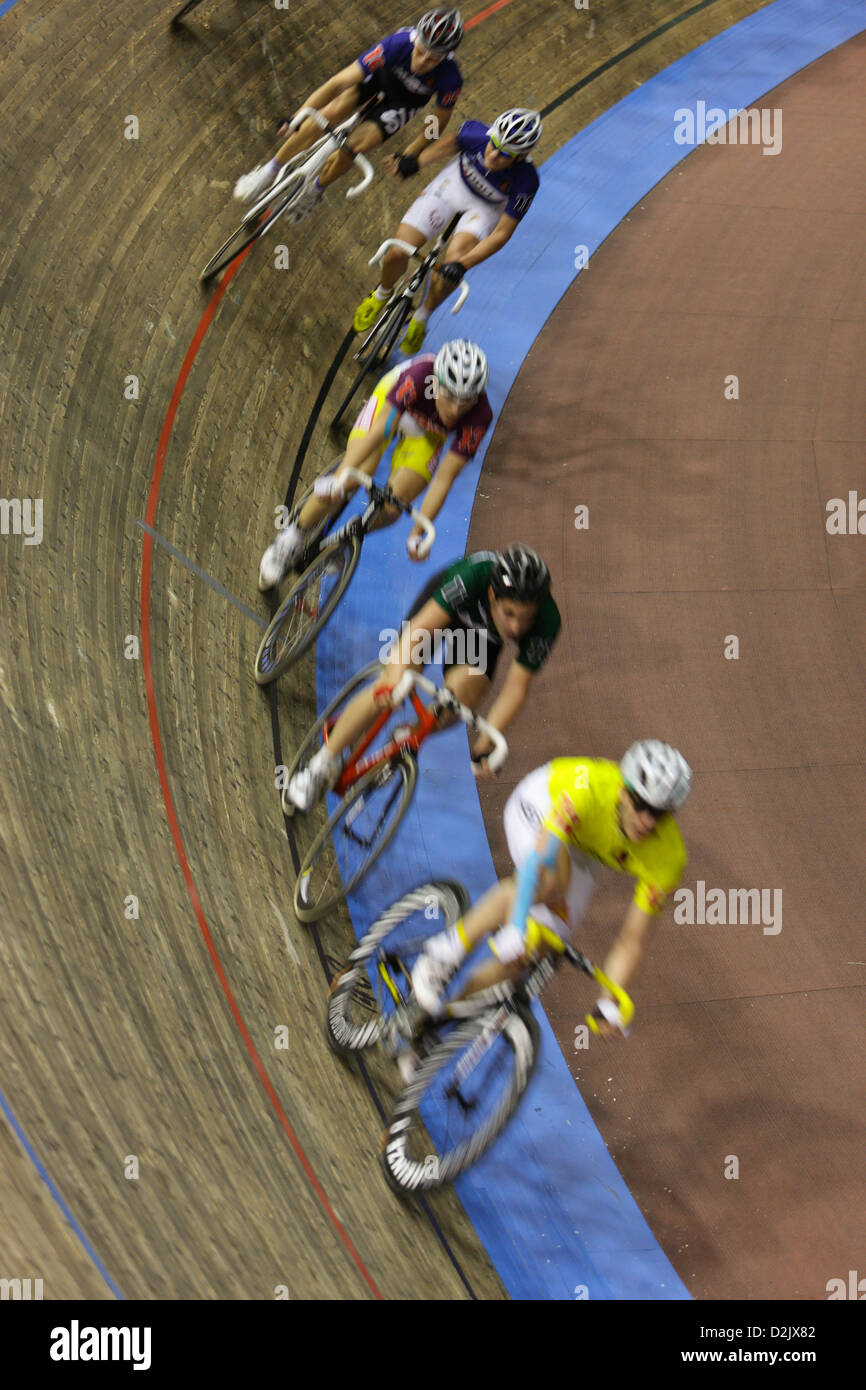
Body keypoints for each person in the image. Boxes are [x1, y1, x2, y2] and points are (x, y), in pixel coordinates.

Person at [410, 741, 692, 1035]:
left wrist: (609, 1000)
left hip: (583, 849)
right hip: (541, 805)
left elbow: (631, 940)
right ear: (623, 790)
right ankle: (443, 954)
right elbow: (538, 863)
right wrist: (517, 923)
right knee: (551, 884)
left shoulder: (670, 859)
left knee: (537, 947)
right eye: (641, 805)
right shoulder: (588, 788)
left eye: (658, 814)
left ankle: (434, 1024)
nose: (647, 821)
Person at [284, 544, 561, 811]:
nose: (516, 627)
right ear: (492, 595)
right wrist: (393, 681)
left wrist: (487, 743)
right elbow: (421, 628)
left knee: (457, 705)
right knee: (392, 685)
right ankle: (321, 764)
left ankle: (407, 735)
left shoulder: (547, 621)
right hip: (442, 613)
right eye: (509, 614)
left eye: (525, 619)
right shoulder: (471, 577)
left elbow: (516, 687)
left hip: (479, 640)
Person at [258, 340, 492, 589]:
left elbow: (445, 478)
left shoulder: (480, 416)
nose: (456, 409)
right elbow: (382, 428)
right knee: (350, 478)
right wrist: (340, 477)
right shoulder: (419, 377)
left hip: (427, 434)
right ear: (437, 383)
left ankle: (350, 539)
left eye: (465, 401)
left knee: (393, 508)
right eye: (450, 396)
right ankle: (290, 540)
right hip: (391, 409)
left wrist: (418, 533)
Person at [233, 9, 464, 221]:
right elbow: (337, 83)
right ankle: (269, 170)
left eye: (433, 59)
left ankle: (315, 190)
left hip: (402, 104)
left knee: (354, 147)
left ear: (446, 57)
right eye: (421, 52)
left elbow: (437, 122)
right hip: (376, 81)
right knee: (325, 114)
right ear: (415, 40)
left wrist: (410, 154)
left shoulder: (451, 79)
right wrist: (298, 116)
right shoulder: (397, 44)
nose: (423, 62)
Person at [356, 108, 543, 352]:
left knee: (450, 268)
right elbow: (447, 146)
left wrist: (463, 265)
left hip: (485, 209)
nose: (495, 154)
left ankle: (423, 317)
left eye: (506, 154)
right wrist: (415, 162)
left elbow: (502, 233)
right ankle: (381, 294)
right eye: (495, 144)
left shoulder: (528, 182)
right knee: (398, 252)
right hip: (452, 187)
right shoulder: (476, 133)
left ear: (521, 156)